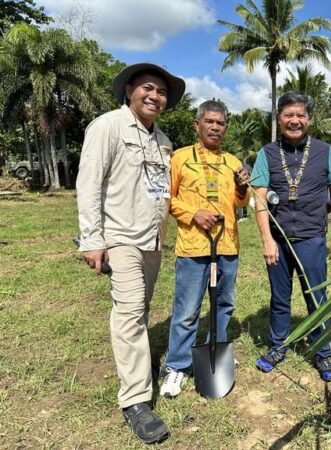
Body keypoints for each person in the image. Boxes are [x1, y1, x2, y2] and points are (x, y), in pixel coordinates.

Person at [76, 63, 185, 444]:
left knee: (138, 310)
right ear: (129, 91)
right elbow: (88, 182)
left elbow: (164, 191)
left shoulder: (164, 141)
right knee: (129, 312)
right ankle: (136, 400)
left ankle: (135, 371)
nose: (155, 96)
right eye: (148, 88)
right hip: (119, 237)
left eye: (162, 92)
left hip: (152, 241)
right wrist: (91, 239)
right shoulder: (107, 127)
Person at [251, 92, 331, 382]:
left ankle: (323, 350)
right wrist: (267, 239)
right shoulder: (266, 153)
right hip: (278, 239)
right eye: (288, 115)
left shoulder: (325, 151)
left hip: (312, 238)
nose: (295, 120)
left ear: (309, 119)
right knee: (280, 297)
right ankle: (278, 345)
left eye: (300, 115)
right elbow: (259, 197)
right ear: (279, 119)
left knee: (317, 297)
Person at [160, 100, 250, 398]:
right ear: (197, 124)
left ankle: (217, 350)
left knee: (223, 304)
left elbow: (241, 203)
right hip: (194, 246)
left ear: (226, 127)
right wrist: (193, 213)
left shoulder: (233, 162)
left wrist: (241, 188)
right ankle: (177, 366)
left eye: (220, 123)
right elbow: (166, 199)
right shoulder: (180, 158)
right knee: (187, 310)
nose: (215, 127)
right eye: (209, 121)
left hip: (226, 244)